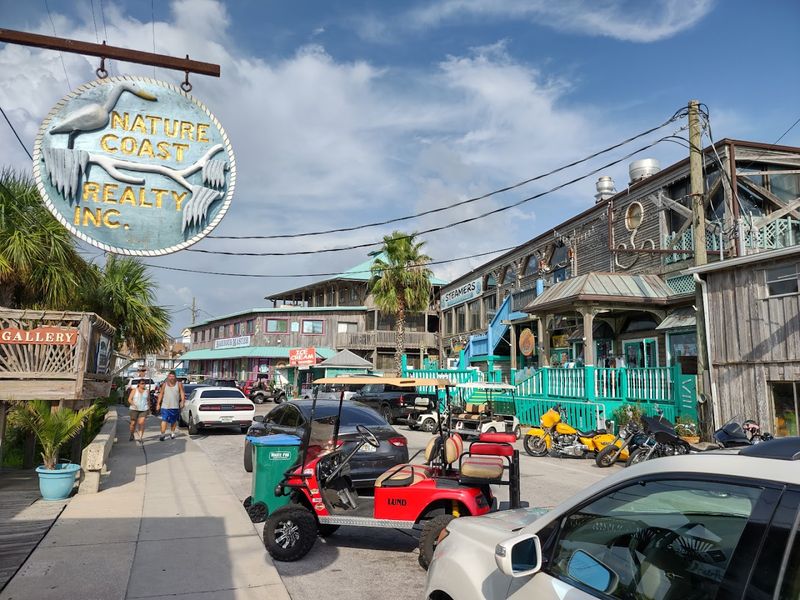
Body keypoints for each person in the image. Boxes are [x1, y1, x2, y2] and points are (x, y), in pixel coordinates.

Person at [157, 370, 185, 441]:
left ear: (175, 377)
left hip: (175, 406)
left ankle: (172, 432)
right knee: (164, 420)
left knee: (174, 421)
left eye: (173, 376)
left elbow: (182, 393)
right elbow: (161, 394)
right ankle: (162, 435)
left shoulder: (179, 384)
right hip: (165, 406)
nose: (171, 378)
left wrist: (182, 401)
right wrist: (158, 404)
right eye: (170, 376)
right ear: (168, 377)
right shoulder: (164, 384)